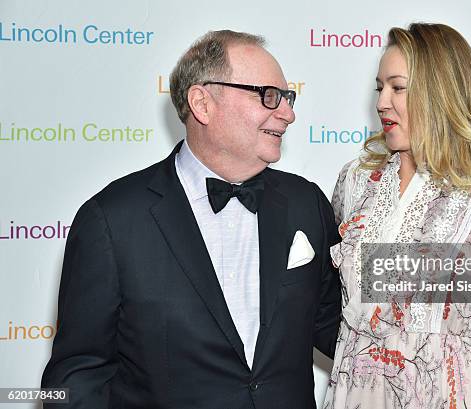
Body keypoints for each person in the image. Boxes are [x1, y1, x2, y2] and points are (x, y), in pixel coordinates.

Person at [41, 30, 341, 409]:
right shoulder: (112, 220)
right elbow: (77, 378)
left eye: (287, 98)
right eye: (269, 95)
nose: (288, 113)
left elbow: (339, 327)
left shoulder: (306, 202)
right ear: (202, 103)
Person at [323, 23, 471, 409]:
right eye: (379, 87)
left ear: (441, 93)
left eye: (397, 88)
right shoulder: (355, 181)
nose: (382, 102)